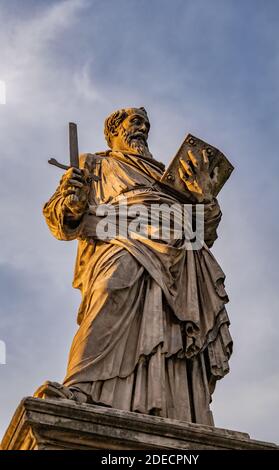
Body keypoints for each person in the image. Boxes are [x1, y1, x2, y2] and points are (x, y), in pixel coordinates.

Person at [36, 107, 232, 425]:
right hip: (119, 231)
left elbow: (205, 231)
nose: (142, 128)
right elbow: (61, 219)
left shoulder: (169, 175)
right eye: (134, 121)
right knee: (108, 290)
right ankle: (81, 387)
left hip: (180, 248)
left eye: (145, 123)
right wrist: (71, 199)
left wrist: (204, 194)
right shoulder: (96, 163)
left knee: (170, 321)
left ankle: (179, 407)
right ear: (113, 129)